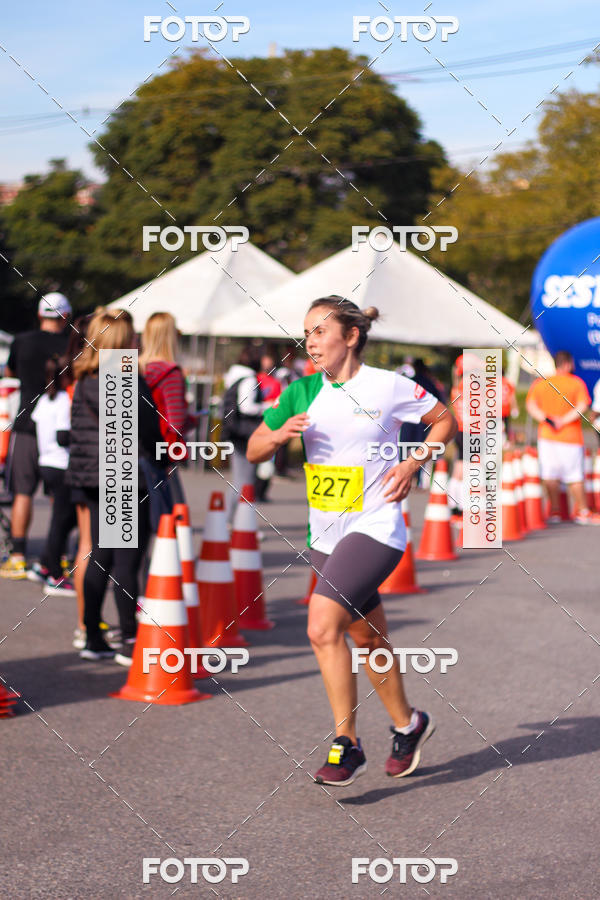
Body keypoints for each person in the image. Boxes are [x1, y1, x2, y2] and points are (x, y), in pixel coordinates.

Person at [247, 296, 457, 785]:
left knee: (322, 626)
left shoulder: (387, 386)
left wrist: (412, 461)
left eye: (320, 331)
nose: (311, 341)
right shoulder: (300, 393)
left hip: (377, 525)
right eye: (307, 333)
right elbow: (255, 444)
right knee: (366, 635)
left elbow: (445, 420)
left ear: (352, 336)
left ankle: (347, 743)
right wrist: (279, 437)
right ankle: (410, 725)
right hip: (327, 532)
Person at [66, 308, 166, 664]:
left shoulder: (85, 376)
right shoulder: (124, 375)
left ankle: (92, 633)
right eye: (132, 336)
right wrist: (165, 456)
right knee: (127, 559)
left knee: (101, 554)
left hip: (91, 474)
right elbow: (149, 429)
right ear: (123, 341)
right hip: (120, 472)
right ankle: (128, 637)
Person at [1, 293, 71, 579]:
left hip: (28, 424)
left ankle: (18, 556)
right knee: (60, 495)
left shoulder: (22, 341)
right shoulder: (72, 344)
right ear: (65, 317)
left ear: (41, 314)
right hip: (61, 426)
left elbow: (10, 372)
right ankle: (60, 556)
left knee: (22, 492)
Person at [526, 350, 599, 524]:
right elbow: (582, 406)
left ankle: (555, 512)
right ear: (567, 364)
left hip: (547, 436)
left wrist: (547, 419)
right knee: (574, 476)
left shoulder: (541, 382)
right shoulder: (576, 383)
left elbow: (531, 405)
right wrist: (564, 421)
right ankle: (582, 511)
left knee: (550, 475)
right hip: (570, 437)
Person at [139, 311, 197, 522]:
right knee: (171, 518)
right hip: (161, 453)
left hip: (134, 449)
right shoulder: (170, 373)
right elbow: (176, 423)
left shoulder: (136, 368)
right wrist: (194, 419)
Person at [27, 355, 77, 596]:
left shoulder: (45, 401)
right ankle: (55, 574)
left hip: (45, 462)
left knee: (63, 519)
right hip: (61, 464)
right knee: (62, 520)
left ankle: (45, 563)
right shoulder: (63, 403)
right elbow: (62, 437)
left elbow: (37, 426)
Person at [222, 347, 268, 523]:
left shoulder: (234, 376)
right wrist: (267, 406)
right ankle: (238, 524)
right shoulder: (249, 379)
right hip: (245, 435)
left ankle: (230, 521)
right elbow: (247, 407)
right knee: (245, 482)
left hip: (236, 433)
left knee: (240, 481)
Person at [255, 348, 282, 501]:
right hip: (256, 424)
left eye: (269, 361)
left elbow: (278, 403)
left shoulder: (276, 383)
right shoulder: (255, 379)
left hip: (271, 423)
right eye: (265, 361)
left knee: (268, 460)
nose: (267, 364)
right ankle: (252, 491)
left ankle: (262, 491)